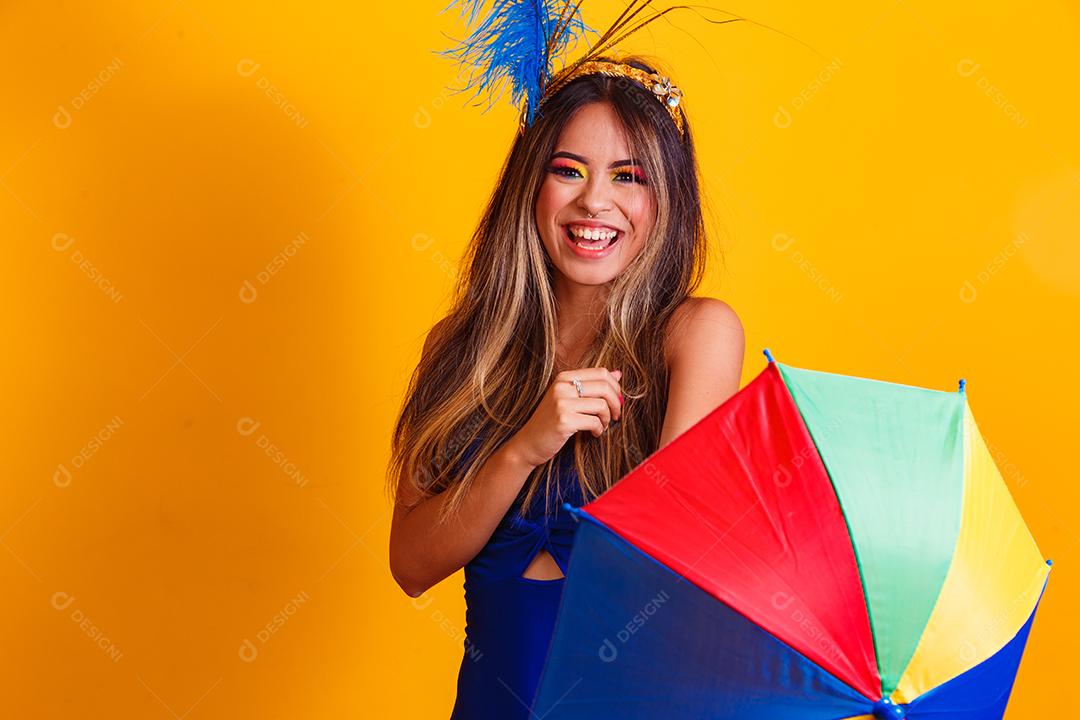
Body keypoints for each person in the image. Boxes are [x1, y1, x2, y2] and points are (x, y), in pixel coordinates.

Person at [386, 52, 745, 719]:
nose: (594, 201)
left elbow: (680, 571)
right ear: (531, 184)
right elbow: (410, 565)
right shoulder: (460, 347)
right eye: (568, 170)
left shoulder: (694, 336)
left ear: (666, 200)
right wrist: (523, 448)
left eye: (628, 177)